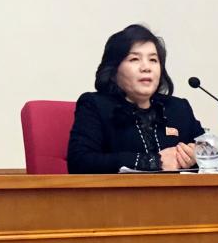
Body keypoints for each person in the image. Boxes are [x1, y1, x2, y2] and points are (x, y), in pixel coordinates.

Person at [67, 25, 204, 173]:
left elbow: (213, 154)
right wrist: (154, 161)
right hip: (118, 196)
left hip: (178, 196)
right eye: (134, 59)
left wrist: (197, 156)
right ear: (114, 70)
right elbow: (80, 162)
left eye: (153, 60)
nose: (146, 67)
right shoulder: (95, 105)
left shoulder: (178, 108)